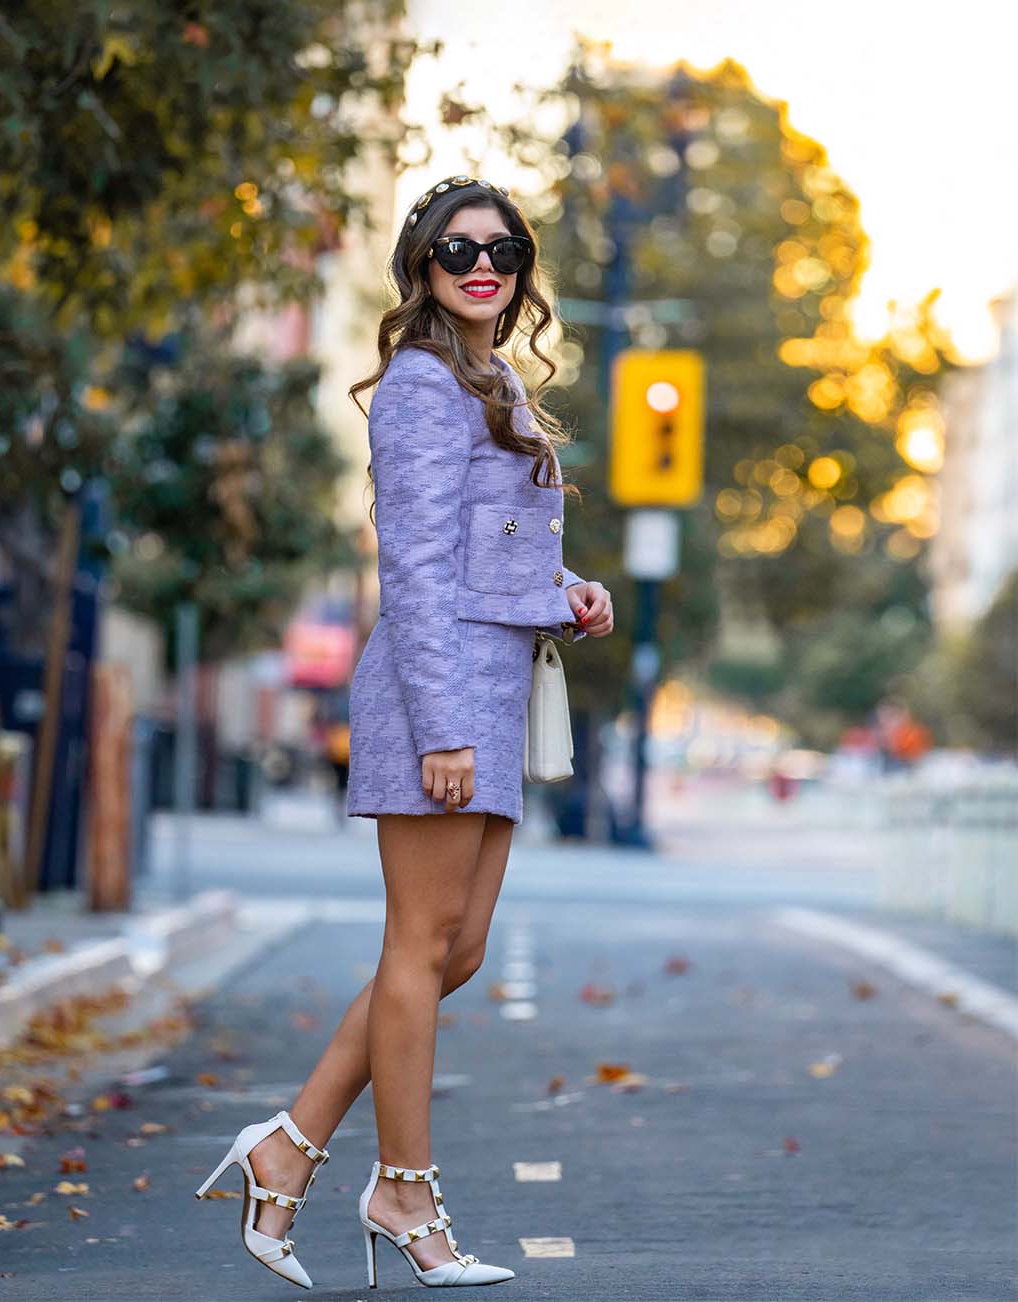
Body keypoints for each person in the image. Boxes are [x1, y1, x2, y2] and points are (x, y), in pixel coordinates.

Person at [194, 174, 614, 1289]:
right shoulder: (426, 385)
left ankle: (289, 1146)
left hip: (491, 687)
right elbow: (418, 566)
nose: (484, 267)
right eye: (457, 249)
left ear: (522, 269)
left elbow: (491, 546)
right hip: (444, 696)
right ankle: (404, 1191)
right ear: (422, 264)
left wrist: (569, 588)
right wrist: (441, 728)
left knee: (451, 952)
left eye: (503, 250)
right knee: (420, 948)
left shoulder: (493, 378)